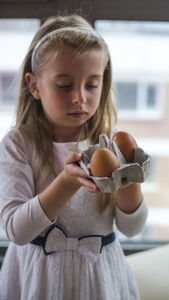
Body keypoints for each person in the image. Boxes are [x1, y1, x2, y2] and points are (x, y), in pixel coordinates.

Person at [0, 13, 148, 300]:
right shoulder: (19, 144)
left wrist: (130, 181)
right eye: (65, 85)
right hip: (38, 277)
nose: (80, 97)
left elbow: (132, 228)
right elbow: (17, 231)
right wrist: (67, 181)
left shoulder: (109, 143)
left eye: (91, 84)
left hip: (99, 277)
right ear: (34, 86)